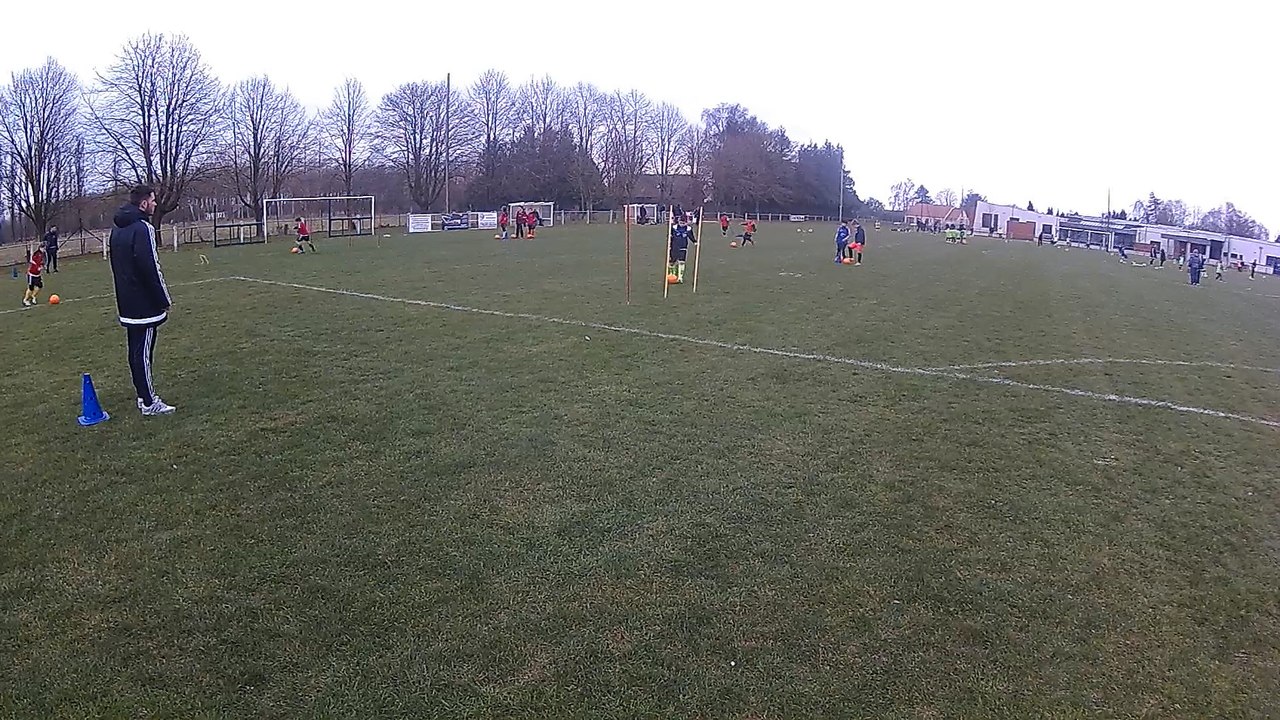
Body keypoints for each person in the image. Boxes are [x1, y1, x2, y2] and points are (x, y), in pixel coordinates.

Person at [109, 185, 175, 416]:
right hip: (144, 303)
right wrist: (163, 298)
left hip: (126, 300)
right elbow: (151, 267)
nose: (155, 204)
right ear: (144, 203)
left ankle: (142, 396)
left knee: (135, 351)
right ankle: (149, 402)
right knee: (143, 353)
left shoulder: (117, 230)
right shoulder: (143, 228)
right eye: (153, 200)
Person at [667, 219, 697, 283]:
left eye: (683, 223)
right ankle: (672, 274)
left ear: (686, 223)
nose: (682, 224)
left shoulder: (688, 229)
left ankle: (680, 278)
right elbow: (670, 236)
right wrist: (669, 244)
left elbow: (691, 236)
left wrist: (694, 242)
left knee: (681, 262)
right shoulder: (674, 228)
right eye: (681, 222)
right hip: (674, 247)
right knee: (672, 262)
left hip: (683, 246)